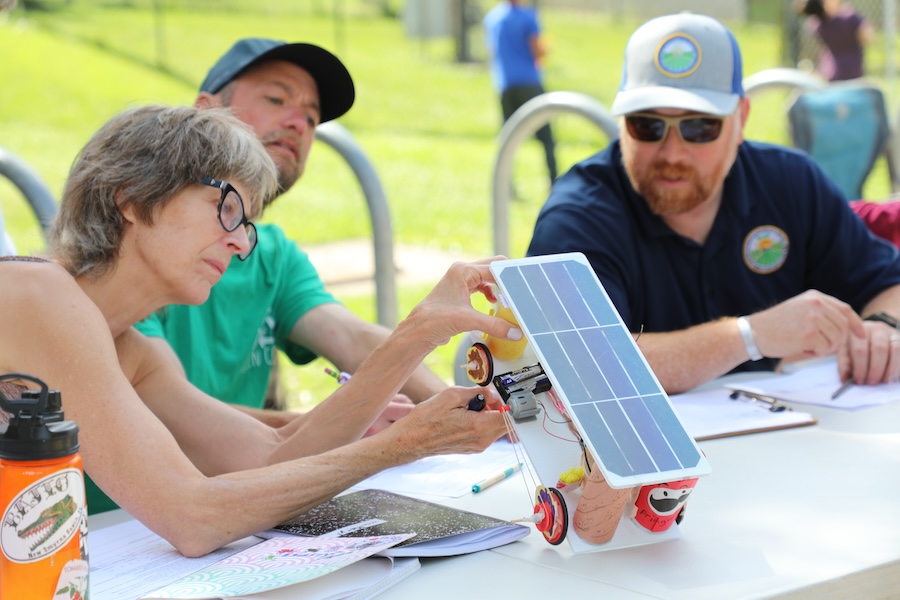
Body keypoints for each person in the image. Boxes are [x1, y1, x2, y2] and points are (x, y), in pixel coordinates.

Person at [0, 104, 515, 556]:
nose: (241, 245)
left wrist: (418, 334)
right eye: (226, 209)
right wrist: (402, 444)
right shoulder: (38, 296)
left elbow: (274, 459)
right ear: (131, 197)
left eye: (247, 225)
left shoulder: (133, 351)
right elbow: (193, 518)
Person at [526, 13, 900, 395]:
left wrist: (883, 327)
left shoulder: (791, 181)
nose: (672, 152)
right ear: (622, 123)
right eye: (647, 126)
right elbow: (578, 365)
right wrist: (750, 336)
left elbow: (888, 282)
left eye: (699, 126)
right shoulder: (578, 216)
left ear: (741, 119)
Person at [135, 39, 446, 424]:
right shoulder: (139, 236)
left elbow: (351, 337)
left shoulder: (273, 255)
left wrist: (454, 403)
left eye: (312, 119)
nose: (299, 124)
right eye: (276, 100)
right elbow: (163, 411)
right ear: (205, 110)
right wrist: (336, 426)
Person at [484, 0, 557, 185]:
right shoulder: (528, 16)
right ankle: (553, 180)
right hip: (530, 83)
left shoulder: (492, 18)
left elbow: (492, 52)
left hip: (505, 84)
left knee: (509, 139)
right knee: (546, 137)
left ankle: (507, 186)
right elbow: (537, 51)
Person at [798, 0, 874, 81]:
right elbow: (869, 36)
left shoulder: (817, 25)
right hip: (853, 72)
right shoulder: (849, 18)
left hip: (829, 72)